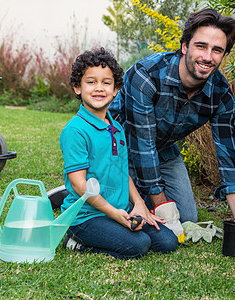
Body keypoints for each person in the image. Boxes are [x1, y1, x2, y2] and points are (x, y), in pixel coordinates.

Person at [109, 8, 235, 238]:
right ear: (185, 46)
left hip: (164, 150)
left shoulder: (221, 94)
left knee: (187, 216)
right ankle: (89, 184)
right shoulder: (147, 74)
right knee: (121, 211)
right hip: (118, 145)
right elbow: (142, 146)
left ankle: (139, 194)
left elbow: (229, 154)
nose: (208, 57)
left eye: (217, 50)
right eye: (201, 46)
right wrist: (161, 205)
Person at [59, 47, 178, 259]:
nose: (99, 88)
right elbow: (79, 184)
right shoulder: (75, 131)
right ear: (77, 87)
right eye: (91, 82)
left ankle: (120, 228)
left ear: (115, 90)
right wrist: (113, 213)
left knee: (168, 241)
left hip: (120, 211)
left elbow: (122, 171)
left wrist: (140, 206)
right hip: (86, 217)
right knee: (139, 245)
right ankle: (74, 241)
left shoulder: (116, 128)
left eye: (106, 82)